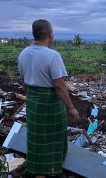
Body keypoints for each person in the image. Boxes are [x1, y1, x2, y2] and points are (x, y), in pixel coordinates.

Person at [18, 19, 80, 178]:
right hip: (50, 104)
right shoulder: (53, 56)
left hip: (33, 102)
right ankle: (51, 172)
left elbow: (24, 82)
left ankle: (37, 172)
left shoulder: (23, 54)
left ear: (34, 35)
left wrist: (32, 96)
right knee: (53, 138)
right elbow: (59, 85)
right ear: (50, 35)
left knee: (36, 139)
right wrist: (71, 108)